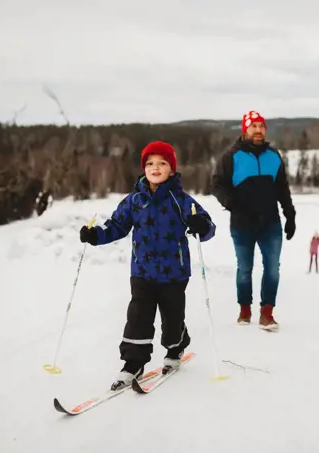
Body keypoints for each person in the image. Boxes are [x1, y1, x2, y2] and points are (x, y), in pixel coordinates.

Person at [79, 141, 216, 390]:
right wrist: (95, 236)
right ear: (144, 168)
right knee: (138, 317)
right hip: (141, 272)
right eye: (150, 163)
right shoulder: (134, 200)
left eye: (162, 163)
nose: (155, 167)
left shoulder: (181, 200)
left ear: (171, 170)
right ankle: (133, 363)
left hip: (174, 273)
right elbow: (117, 226)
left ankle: (177, 346)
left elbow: (207, 225)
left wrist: (201, 226)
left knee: (172, 321)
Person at [211, 110, 296, 331]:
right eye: (253, 126)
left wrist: (290, 214)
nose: (258, 130)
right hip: (242, 223)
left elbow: (282, 188)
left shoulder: (273, 156)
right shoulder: (231, 156)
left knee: (272, 269)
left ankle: (267, 314)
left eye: (261, 126)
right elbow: (217, 184)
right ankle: (245, 310)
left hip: (270, 222)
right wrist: (231, 203)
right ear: (245, 129)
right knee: (245, 268)